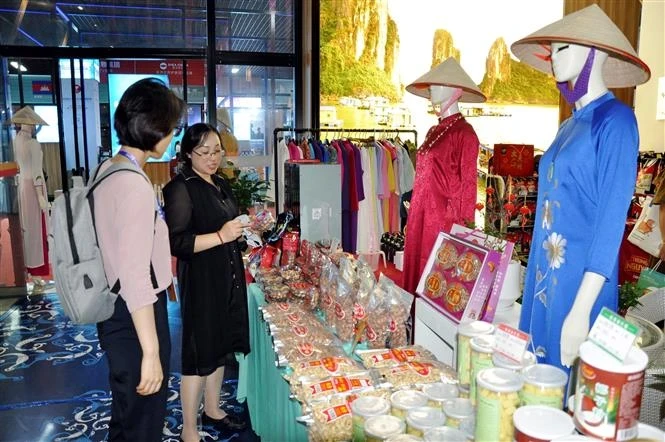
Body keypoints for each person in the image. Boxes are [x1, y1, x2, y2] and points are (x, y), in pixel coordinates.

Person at [510, 4, 650, 370]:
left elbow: (610, 222)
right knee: (539, 385)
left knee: (570, 394)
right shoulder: (569, 125)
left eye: (564, 49)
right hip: (546, 273)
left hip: (580, 284)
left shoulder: (617, 121)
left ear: (594, 53)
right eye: (552, 50)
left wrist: (581, 310)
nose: (554, 58)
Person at [94, 77, 186, 441]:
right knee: (144, 419)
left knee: (128, 414)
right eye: (172, 127)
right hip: (135, 314)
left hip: (116, 309)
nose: (173, 135)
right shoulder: (133, 185)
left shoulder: (110, 168)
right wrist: (152, 352)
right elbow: (135, 275)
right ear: (155, 128)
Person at [162, 123, 251, 442]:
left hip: (226, 274)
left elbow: (230, 225)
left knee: (219, 346)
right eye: (205, 152)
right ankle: (188, 429)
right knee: (198, 354)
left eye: (217, 151)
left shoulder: (219, 183)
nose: (213, 158)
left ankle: (213, 409)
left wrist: (244, 232)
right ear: (188, 153)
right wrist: (220, 235)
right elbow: (177, 243)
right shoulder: (180, 188)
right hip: (201, 280)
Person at [401, 57, 486, 294]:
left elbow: (468, 189)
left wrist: (461, 235)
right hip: (420, 215)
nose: (430, 89)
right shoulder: (433, 130)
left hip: (442, 223)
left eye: (436, 84)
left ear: (455, 90)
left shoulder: (465, 134)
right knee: (415, 273)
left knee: (434, 283)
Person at [11, 106, 50, 288]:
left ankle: (28, 268)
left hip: (22, 187)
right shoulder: (32, 143)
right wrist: (41, 195)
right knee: (36, 230)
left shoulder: (16, 140)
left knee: (27, 228)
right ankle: (35, 270)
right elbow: (36, 172)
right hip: (33, 188)